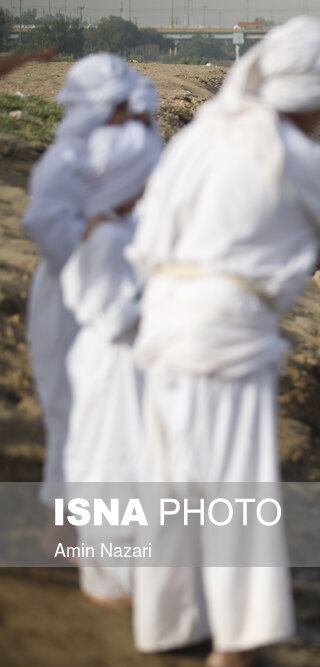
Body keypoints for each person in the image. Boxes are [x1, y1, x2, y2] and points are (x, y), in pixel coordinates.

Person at [125, 16, 320, 667]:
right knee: (237, 484)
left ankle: (169, 624)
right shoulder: (290, 153)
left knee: (171, 478)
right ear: (314, 96)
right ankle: (238, 644)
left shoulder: (200, 137)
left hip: (159, 323)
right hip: (226, 333)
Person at [21, 53, 158, 505]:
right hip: (69, 291)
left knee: (110, 409)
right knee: (68, 405)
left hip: (114, 282)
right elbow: (45, 225)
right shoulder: (67, 159)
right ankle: (61, 519)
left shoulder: (123, 152)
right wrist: (91, 256)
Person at [60, 120, 162, 609]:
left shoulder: (111, 228)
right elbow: (118, 315)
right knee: (119, 460)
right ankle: (117, 579)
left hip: (119, 362)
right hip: (117, 365)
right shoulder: (104, 240)